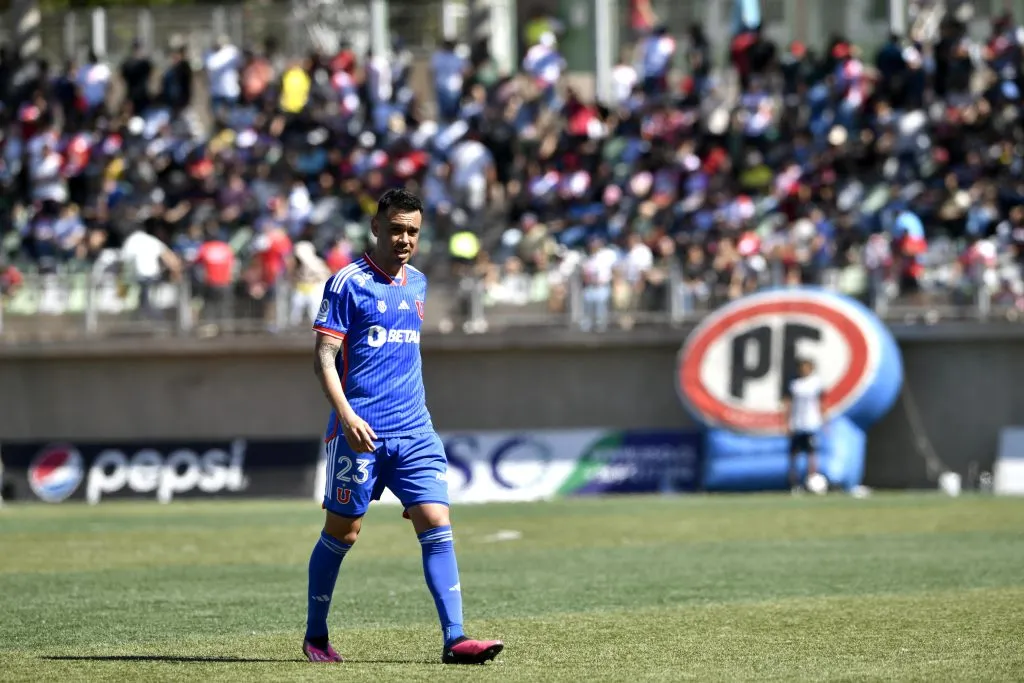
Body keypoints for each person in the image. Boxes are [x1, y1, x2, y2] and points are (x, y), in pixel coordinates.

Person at [304, 189, 504, 665]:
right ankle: (316, 635)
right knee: (344, 532)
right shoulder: (345, 284)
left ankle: (455, 639)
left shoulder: (416, 283)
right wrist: (348, 417)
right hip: (360, 434)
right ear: (376, 227)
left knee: (436, 521)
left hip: (416, 430)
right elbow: (323, 360)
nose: (405, 239)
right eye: (396, 229)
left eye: (413, 231)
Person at [782, 358, 824, 493]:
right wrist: (786, 422)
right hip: (797, 424)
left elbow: (822, 403)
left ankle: (812, 482)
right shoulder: (795, 384)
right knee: (794, 455)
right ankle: (794, 483)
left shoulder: (816, 383)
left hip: (811, 424)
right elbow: (787, 403)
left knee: (812, 454)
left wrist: (824, 421)